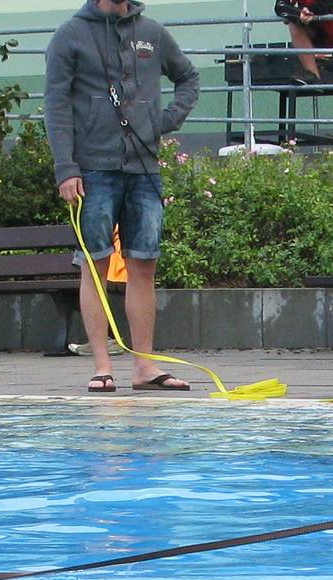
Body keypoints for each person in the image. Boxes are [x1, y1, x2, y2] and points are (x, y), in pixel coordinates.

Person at [44, 0, 199, 393]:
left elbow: (188, 77)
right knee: (94, 265)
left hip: (144, 169)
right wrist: (66, 168)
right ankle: (101, 366)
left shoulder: (152, 33)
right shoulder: (69, 35)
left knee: (143, 264)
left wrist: (163, 121)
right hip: (92, 169)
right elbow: (56, 105)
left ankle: (144, 367)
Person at [279, 0, 333, 149]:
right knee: (293, 24)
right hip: (319, 30)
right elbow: (280, 7)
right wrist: (298, 14)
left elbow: (329, 4)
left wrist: (305, 11)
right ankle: (311, 73)